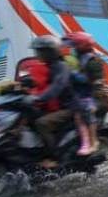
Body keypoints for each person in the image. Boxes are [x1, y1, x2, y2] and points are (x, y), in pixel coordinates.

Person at [26, 35, 74, 168]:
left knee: (42, 123)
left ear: (51, 51)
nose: (38, 54)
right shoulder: (50, 66)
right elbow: (38, 81)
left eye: (41, 51)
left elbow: (57, 86)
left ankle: (54, 157)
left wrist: (39, 98)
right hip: (58, 105)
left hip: (70, 107)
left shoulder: (61, 66)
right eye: (37, 51)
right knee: (29, 116)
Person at [63, 32, 105, 156]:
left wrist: (74, 74)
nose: (73, 48)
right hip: (78, 96)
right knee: (77, 116)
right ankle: (84, 143)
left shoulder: (92, 60)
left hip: (89, 96)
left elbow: (90, 81)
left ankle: (93, 142)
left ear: (83, 45)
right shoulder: (77, 57)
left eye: (75, 45)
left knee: (84, 115)